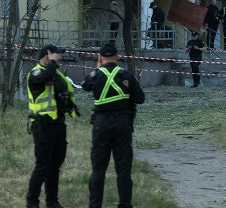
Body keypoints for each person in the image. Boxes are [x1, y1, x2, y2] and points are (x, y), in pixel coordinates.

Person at [81, 43, 145, 208]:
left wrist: (98, 68)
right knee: (123, 168)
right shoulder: (126, 75)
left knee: (98, 168)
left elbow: (85, 87)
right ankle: (124, 204)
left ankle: (95, 205)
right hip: (122, 124)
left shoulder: (94, 76)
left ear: (100, 58)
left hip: (101, 124)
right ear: (117, 57)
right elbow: (140, 98)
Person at [26, 44, 79, 208]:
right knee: (42, 166)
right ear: (47, 55)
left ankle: (52, 201)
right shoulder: (36, 73)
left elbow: (65, 93)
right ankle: (32, 202)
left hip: (58, 125)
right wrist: (52, 63)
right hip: (43, 125)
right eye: (57, 54)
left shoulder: (57, 75)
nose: (60, 57)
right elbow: (44, 77)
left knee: (55, 166)